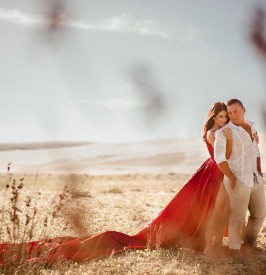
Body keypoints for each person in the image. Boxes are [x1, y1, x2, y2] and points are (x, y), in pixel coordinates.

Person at [0, 102, 233, 266]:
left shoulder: (222, 132)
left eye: (226, 117)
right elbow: (221, 155)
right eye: (220, 116)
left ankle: (206, 239)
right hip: (212, 172)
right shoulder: (214, 133)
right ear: (213, 117)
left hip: (213, 172)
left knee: (209, 208)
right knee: (204, 209)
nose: (223, 120)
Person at [214, 98, 266, 257]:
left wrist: (260, 172)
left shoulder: (251, 126)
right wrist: (232, 178)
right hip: (237, 178)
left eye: (236, 111)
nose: (233, 115)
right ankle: (235, 249)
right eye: (230, 113)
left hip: (255, 177)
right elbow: (219, 158)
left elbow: (256, 152)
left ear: (244, 109)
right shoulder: (223, 132)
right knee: (238, 215)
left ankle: (249, 245)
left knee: (260, 212)